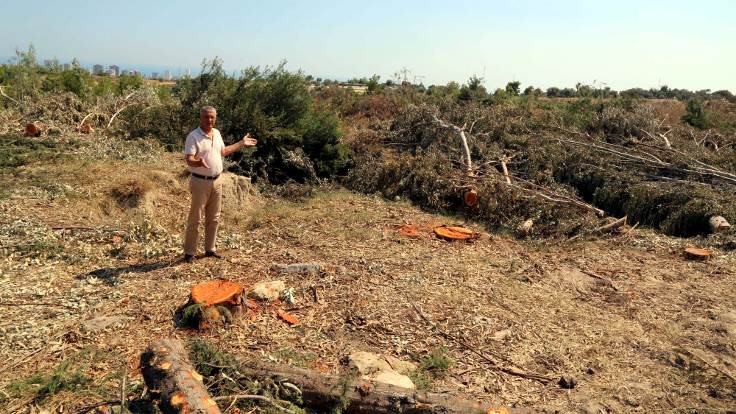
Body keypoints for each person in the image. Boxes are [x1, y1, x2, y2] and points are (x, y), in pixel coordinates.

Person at [182, 106, 257, 263]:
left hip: (217, 181)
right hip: (199, 182)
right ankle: (189, 253)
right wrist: (197, 162)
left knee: (214, 217)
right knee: (195, 218)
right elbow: (189, 159)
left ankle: (210, 249)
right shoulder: (193, 136)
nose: (209, 120)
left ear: (215, 118)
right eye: (206, 117)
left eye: (212, 117)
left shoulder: (216, 133)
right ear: (200, 117)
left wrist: (241, 143)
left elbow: (222, 151)